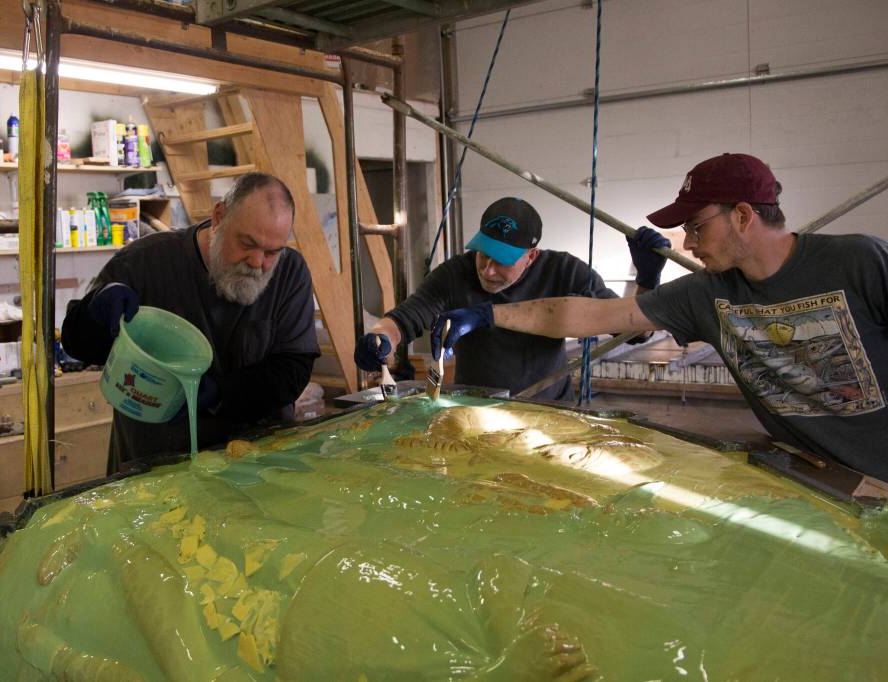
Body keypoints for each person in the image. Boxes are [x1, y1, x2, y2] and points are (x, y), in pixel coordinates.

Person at [432, 153, 888, 480]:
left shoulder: (858, 261)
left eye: (695, 226)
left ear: (743, 216)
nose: (687, 243)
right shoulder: (706, 293)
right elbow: (590, 315)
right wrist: (489, 315)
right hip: (813, 476)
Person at [62, 172, 319, 471]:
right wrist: (95, 312)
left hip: (258, 469)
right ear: (219, 217)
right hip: (156, 471)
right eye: (247, 243)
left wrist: (217, 393)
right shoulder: (145, 263)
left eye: (271, 252)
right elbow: (78, 345)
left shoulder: (290, 273)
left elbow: (293, 370)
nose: (257, 262)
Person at [353, 196, 671, 399]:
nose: (488, 271)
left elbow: (633, 331)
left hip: (549, 412)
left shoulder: (566, 272)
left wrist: (647, 281)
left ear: (531, 256)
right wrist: (381, 338)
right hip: (476, 409)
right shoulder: (455, 273)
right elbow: (409, 316)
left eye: (502, 261)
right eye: (482, 256)